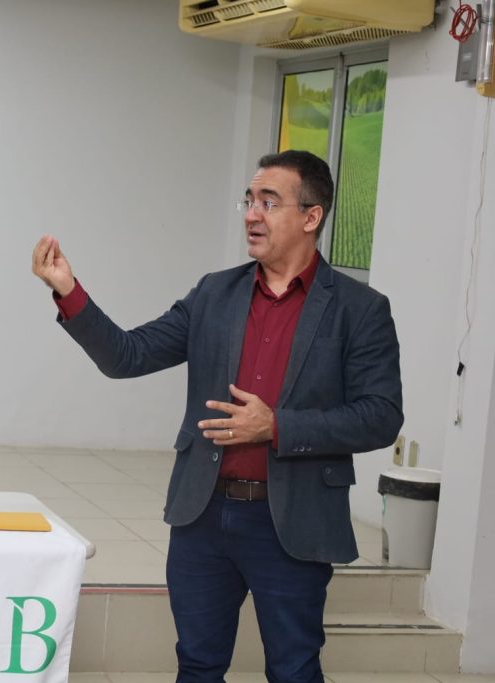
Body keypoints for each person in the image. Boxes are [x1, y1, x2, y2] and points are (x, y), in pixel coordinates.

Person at [31, 150, 402, 683]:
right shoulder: (214, 293)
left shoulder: (359, 309)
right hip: (203, 516)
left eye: (269, 202)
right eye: (249, 200)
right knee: (198, 666)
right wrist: (69, 290)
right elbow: (127, 356)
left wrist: (276, 426)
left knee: (294, 670)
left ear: (311, 216)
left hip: (291, 522)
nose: (252, 214)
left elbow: (380, 416)